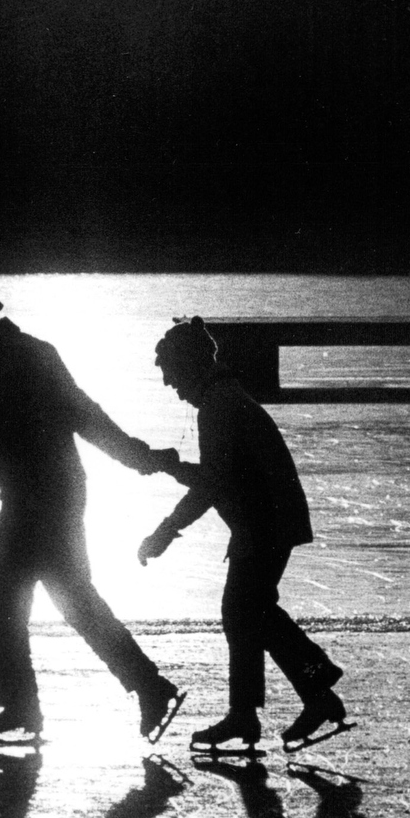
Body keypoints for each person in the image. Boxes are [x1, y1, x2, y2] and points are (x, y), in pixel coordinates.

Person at [0, 280, 186, 744]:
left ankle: (26, 708)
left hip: (35, 501)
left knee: (2, 606)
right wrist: (136, 456)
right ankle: (147, 687)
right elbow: (85, 413)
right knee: (74, 601)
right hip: (55, 494)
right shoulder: (32, 352)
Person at [137, 316, 347, 752]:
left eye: (170, 374)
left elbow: (213, 485)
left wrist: (165, 517)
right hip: (269, 519)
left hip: (265, 522)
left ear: (190, 366)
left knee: (241, 612)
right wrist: (174, 479)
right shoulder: (221, 398)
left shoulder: (218, 406)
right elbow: (219, 481)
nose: (169, 386)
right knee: (252, 613)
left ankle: (257, 711)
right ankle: (312, 689)